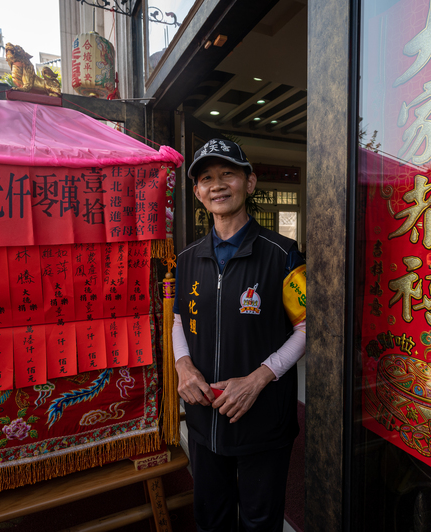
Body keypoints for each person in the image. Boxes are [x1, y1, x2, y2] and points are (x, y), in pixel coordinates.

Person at [172, 138, 307, 532]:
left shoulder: (282, 253)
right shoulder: (186, 258)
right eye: (207, 178)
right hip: (204, 416)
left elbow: (307, 327)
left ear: (249, 183)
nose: (217, 184)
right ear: (197, 192)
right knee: (210, 519)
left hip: (262, 419)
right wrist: (183, 365)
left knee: (259, 522)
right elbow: (179, 317)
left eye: (228, 173)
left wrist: (258, 378)